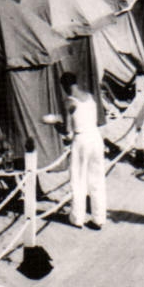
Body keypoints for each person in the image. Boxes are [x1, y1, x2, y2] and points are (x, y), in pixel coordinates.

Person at [61, 71, 106, 230]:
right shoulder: (90, 96)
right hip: (95, 137)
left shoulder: (69, 102)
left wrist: (56, 125)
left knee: (78, 180)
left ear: (66, 86)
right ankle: (98, 218)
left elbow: (67, 131)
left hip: (81, 140)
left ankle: (77, 218)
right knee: (97, 179)